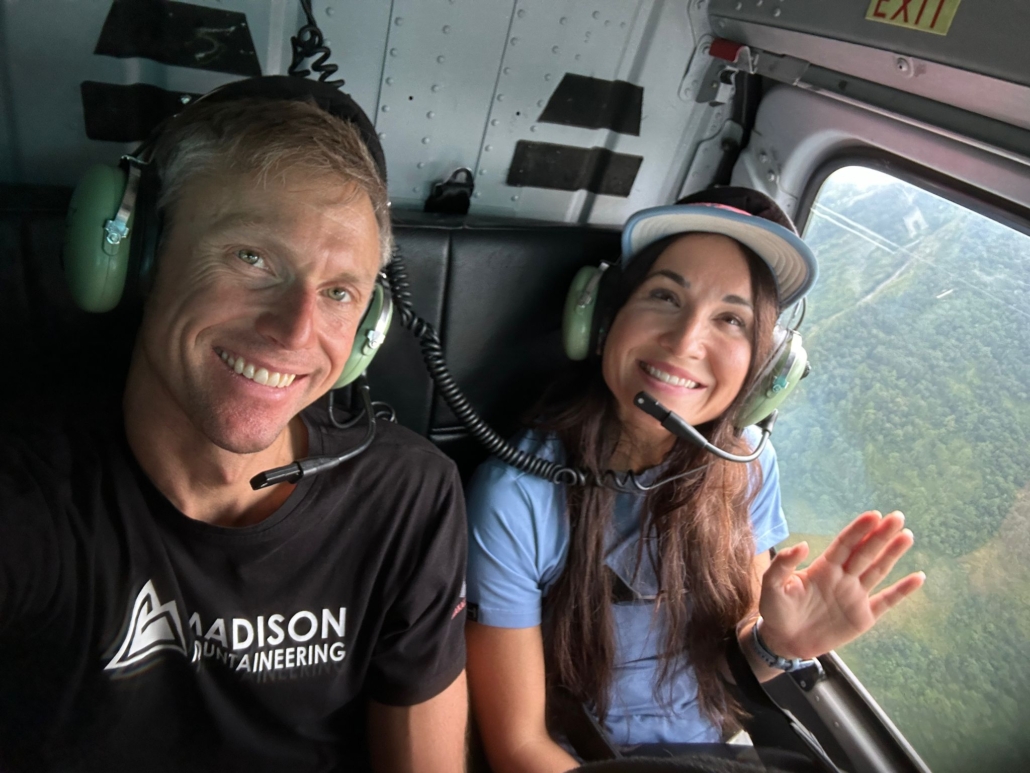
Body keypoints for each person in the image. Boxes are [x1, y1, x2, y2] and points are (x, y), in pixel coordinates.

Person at [0, 77, 467, 772]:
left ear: (367, 331)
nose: (295, 330)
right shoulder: (29, 493)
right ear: (137, 260)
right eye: (252, 257)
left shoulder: (409, 496)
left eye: (340, 292)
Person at [464, 187, 925, 772]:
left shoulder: (750, 465)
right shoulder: (518, 492)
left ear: (767, 369)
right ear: (603, 318)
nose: (685, 343)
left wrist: (779, 646)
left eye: (731, 319)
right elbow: (520, 748)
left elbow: (727, 680)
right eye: (664, 296)